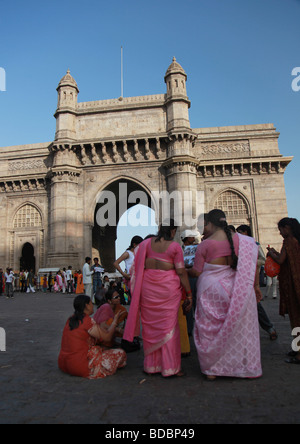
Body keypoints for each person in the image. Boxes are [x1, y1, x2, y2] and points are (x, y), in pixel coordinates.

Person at [189, 209, 262, 380]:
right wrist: (256, 286)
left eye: (204, 225)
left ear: (210, 223)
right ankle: (240, 366)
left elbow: (197, 271)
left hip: (211, 289)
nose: (202, 229)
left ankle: (212, 369)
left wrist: (182, 271)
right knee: (239, 329)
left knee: (209, 329)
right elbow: (254, 265)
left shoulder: (205, 244)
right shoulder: (244, 241)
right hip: (238, 288)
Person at [123, 220, 193, 377]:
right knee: (169, 328)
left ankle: (152, 366)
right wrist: (189, 293)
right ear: (173, 231)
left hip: (148, 290)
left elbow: (136, 267)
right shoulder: (175, 247)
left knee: (150, 328)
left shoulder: (145, 244)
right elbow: (181, 272)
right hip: (168, 290)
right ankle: (170, 367)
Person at [58, 295, 127, 379]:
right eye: (91, 303)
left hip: (63, 363)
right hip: (80, 366)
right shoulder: (88, 321)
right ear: (87, 306)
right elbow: (107, 337)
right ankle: (97, 368)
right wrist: (115, 322)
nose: (92, 306)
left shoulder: (70, 319)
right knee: (121, 353)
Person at [267, 217, 300, 364]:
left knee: (296, 320)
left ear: (287, 228)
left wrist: (271, 254)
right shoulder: (296, 241)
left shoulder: (289, 242)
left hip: (293, 287)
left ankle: (299, 353)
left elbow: (280, 260)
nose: (280, 233)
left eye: (281, 229)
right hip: (295, 284)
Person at [236, 225, 278, 341]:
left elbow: (262, 259)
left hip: (251, 278)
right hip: (239, 280)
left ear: (246, 232)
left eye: (240, 232)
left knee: (256, 305)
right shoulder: (237, 245)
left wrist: (251, 261)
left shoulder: (255, 244)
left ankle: (269, 328)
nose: (238, 235)